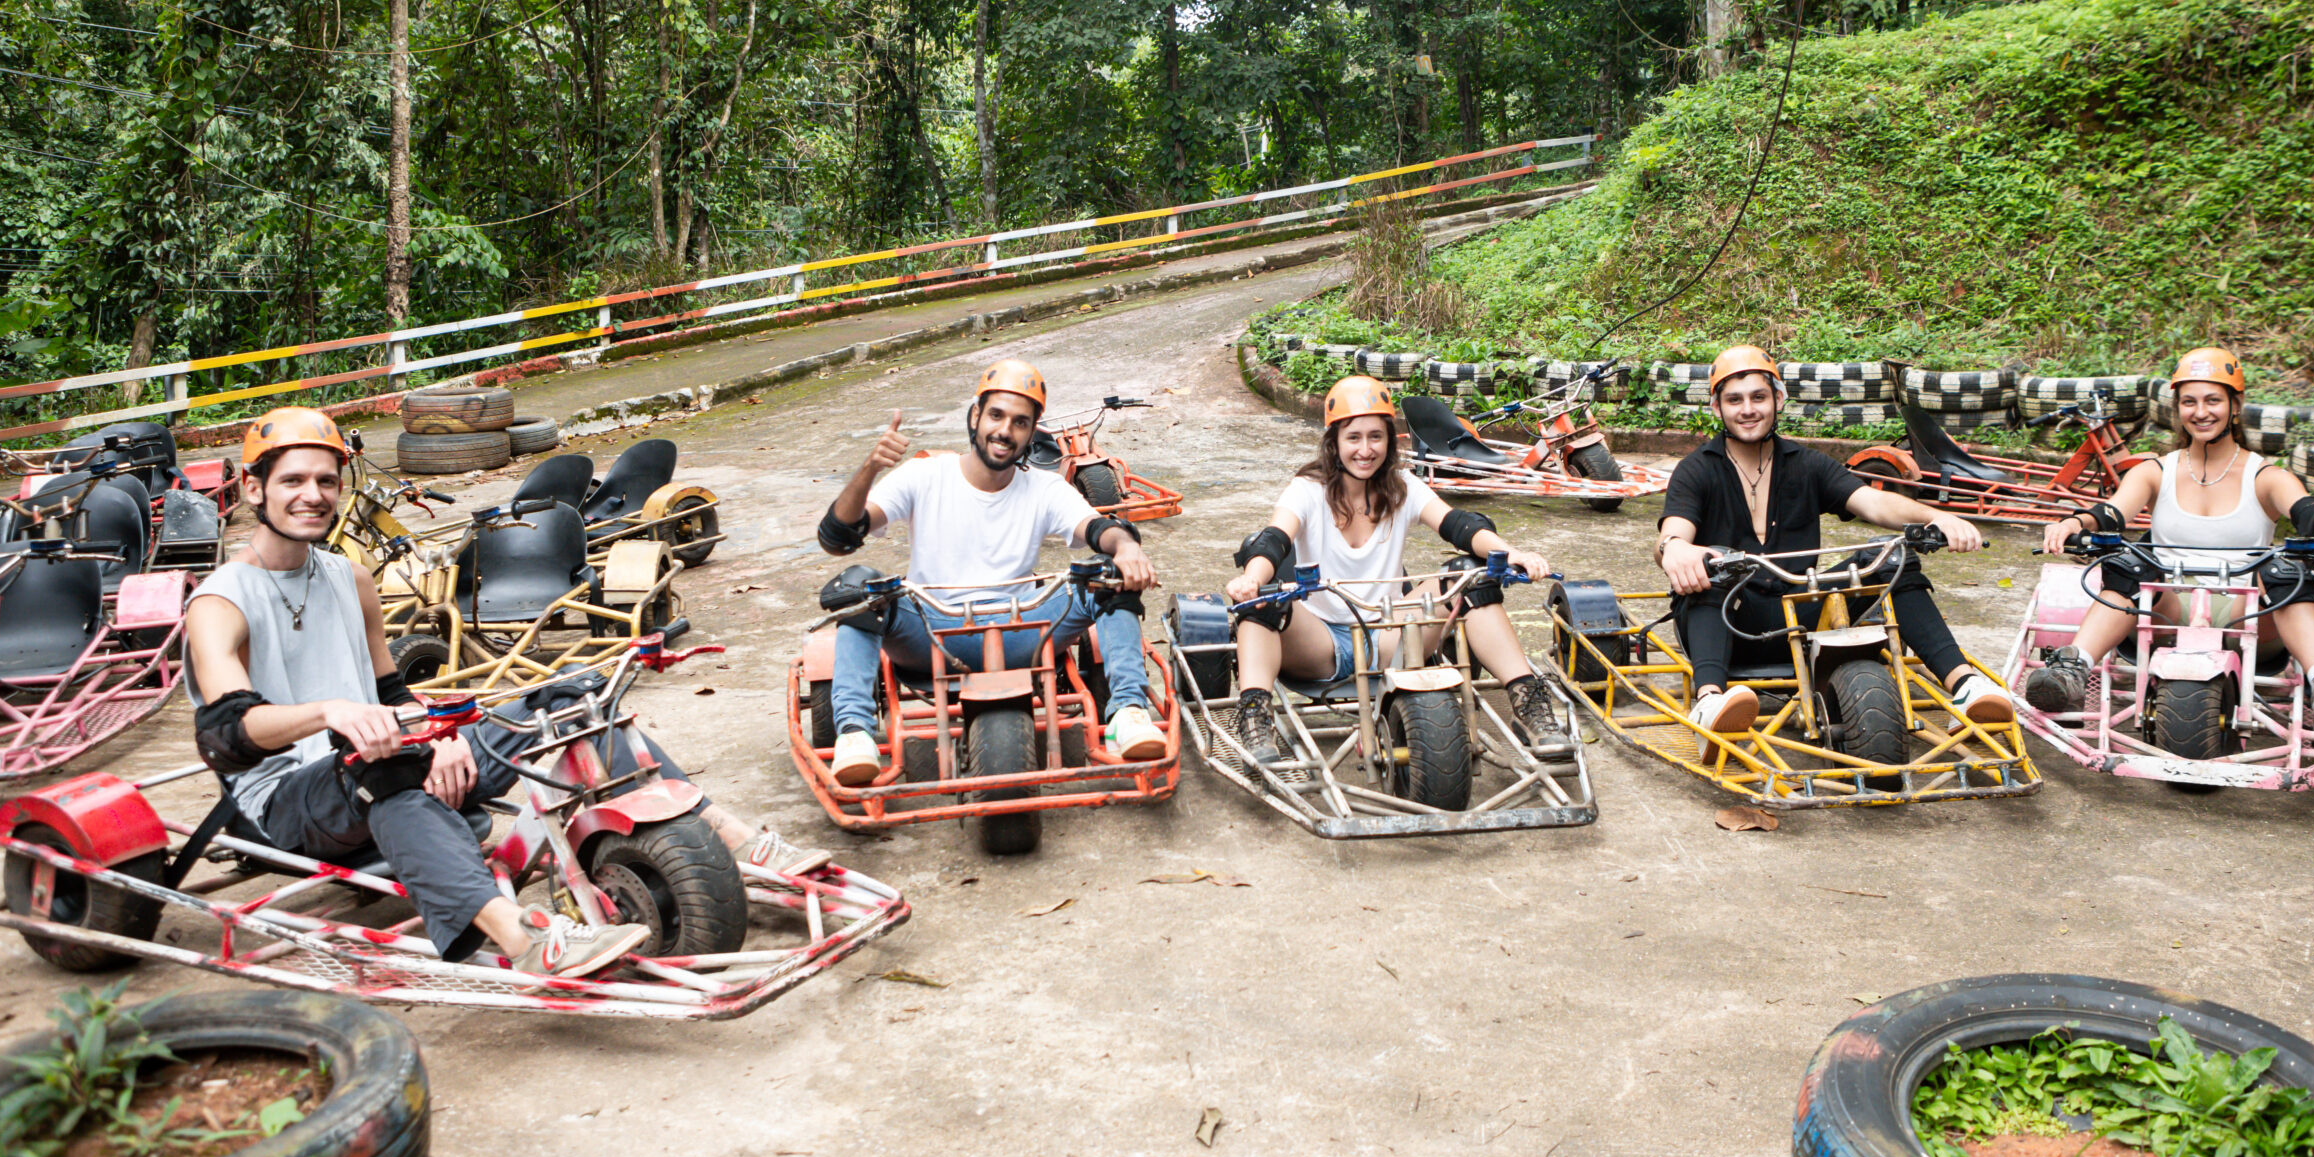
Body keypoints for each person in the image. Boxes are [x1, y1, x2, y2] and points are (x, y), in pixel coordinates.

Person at [187, 407, 825, 984]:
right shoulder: (222, 600)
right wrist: (335, 715)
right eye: (293, 481)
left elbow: (389, 690)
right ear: (253, 489)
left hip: (386, 756)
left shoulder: (349, 578)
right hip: (286, 799)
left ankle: (734, 838)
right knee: (385, 775)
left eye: (326, 481)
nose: (313, 495)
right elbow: (228, 735)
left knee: (573, 695)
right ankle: (522, 938)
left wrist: (432, 737)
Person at [817, 358, 1167, 786]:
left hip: (1025, 628)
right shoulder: (925, 476)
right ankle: (855, 734)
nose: (1005, 431)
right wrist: (870, 468)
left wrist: (1127, 546)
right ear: (975, 417)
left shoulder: (1043, 488)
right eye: (996, 415)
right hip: (932, 632)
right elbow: (838, 536)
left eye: (1020, 422)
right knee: (858, 588)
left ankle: (1128, 714)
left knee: (1108, 574)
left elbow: (1098, 528)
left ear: (1032, 433)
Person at [1657, 345, 2004, 755]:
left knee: (1890, 559)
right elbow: (1674, 530)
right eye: (1735, 400)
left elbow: (1873, 503)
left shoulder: (1807, 464)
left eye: (1758, 397)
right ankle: (1710, 702)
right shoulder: (1697, 469)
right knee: (1709, 568)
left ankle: (1964, 686)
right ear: (1717, 407)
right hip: (1730, 620)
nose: (1747, 409)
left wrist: (1935, 518)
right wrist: (1677, 549)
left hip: (1802, 616)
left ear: (1778, 400)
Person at [1221, 376, 1571, 768]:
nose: (1365, 450)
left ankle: (1529, 705)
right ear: (1334, 441)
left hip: (1391, 637)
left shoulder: (1403, 486)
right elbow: (1273, 539)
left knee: (1471, 576)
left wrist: (1513, 553)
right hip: (1318, 644)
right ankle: (1255, 716)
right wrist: (1252, 577)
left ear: (1390, 440)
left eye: (1376, 437)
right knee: (1264, 596)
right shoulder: (1307, 488)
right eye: (1354, 437)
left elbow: (1461, 527)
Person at [2032, 346, 2314, 735]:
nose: (2201, 412)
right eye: (2189, 402)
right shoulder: (2155, 471)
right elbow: (2111, 513)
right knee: (2128, 562)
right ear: (2177, 409)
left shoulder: (2264, 475)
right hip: (2163, 607)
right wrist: (2073, 522)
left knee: (2285, 570)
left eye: (2213, 400)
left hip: (2245, 613)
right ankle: (2073, 668)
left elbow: (2307, 509)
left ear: (2236, 405)